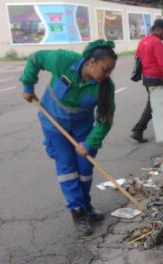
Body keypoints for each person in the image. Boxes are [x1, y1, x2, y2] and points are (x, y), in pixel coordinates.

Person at [20, 40, 117, 236]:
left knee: (85, 168)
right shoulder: (64, 60)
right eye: (105, 69)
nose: (107, 75)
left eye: (110, 71)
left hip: (82, 127)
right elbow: (35, 59)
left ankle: (86, 204)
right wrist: (28, 85)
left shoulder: (105, 86)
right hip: (54, 124)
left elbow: (105, 120)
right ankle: (78, 212)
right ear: (90, 62)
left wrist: (89, 143)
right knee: (67, 168)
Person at [131, 19, 163, 143]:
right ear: (158, 29)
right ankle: (138, 130)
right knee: (154, 105)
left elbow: (137, 57)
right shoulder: (157, 43)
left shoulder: (143, 41)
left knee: (156, 104)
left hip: (147, 78)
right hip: (156, 79)